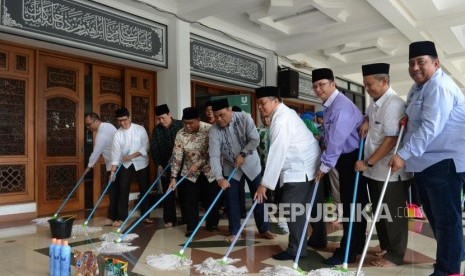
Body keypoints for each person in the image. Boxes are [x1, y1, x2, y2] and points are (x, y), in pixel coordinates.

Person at [389, 41, 465, 276]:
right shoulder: (418, 88)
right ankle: (455, 253)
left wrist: (402, 154)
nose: (415, 67)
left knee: (445, 219)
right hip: (426, 163)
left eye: (421, 62)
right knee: (435, 216)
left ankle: (448, 270)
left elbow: (431, 127)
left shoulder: (439, 86)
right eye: (411, 63)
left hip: (444, 161)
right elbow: (413, 115)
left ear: (436, 63)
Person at [253, 86, 320, 260]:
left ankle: (296, 250)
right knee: (302, 209)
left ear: (275, 101)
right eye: (258, 103)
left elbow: (277, 153)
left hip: (300, 169)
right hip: (305, 167)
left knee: (292, 209)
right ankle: (314, 241)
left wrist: (264, 185)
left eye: (263, 103)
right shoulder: (284, 114)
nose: (260, 107)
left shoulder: (281, 120)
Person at [355, 63, 411, 267]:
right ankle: (386, 246)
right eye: (365, 85)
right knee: (380, 212)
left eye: (369, 85)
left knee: (394, 214)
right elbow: (370, 115)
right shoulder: (376, 101)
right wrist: (366, 121)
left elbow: (390, 139)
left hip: (389, 171)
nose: (367, 89)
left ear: (384, 81)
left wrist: (368, 162)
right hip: (374, 171)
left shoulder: (393, 104)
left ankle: (396, 255)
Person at [312, 68, 366, 265]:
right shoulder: (330, 105)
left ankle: (349, 251)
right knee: (352, 205)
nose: (318, 89)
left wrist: (324, 166)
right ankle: (356, 245)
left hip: (352, 159)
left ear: (333, 84)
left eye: (322, 85)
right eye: (315, 86)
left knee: (352, 206)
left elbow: (336, 140)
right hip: (345, 159)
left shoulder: (340, 106)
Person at [208, 98, 275, 242]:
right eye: (216, 116)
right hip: (231, 166)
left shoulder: (244, 118)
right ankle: (234, 232)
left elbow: (255, 139)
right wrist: (220, 178)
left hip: (251, 163)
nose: (219, 119)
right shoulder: (214, 131)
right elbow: (214, 155)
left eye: (222, 115)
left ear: (230, 110)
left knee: (259, 197)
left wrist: (243, 153)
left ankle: (264, 229)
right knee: (231, 199)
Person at [168, 107, 220, 237]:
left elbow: (212, 151)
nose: (187, 125)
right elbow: (177, 155)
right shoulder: (180, 134)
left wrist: (198, 163)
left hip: (209, 170)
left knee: (211, 197)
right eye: (185, 122)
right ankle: (192, 227)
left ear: (198, 120)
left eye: (191, 122)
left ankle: (212, 223)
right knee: (189, 199)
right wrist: (173, 176)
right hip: (189, 172)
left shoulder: (210, 129)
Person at [109, 108, 151, 226]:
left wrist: (132, 155)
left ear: (129, 117)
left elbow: (146, 147)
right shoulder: (118, 133)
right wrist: (113, 171)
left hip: (141, 162)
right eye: (119, 121)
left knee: (144, 188)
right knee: (123, 188)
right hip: (126, 163)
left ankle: (146, 215)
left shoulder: (139, 129)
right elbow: (116, 154)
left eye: (124, 120)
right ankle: (122, 217)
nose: (122, 123)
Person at [150, 104, 183, 228]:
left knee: (184, 192)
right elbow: (154, 148)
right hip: (165, 166)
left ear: (169, 114)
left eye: (163, 118)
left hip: (182, 165)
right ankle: (169, 219)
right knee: (167, 193)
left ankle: (186, 217)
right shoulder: (157, 130)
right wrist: (158, 164)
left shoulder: (180, 125)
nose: (161, 121)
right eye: (158, 119)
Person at [84, 112, 117, 226]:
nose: (88, 127)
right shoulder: (109, 126)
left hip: (115, 165)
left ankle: (112, 218)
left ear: (96, 121)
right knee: (115, 191)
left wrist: (89, 166)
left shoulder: (101, 134)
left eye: (89, 124)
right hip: (115, 163)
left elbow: (96, 151)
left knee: (113, 192)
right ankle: (115, 217)